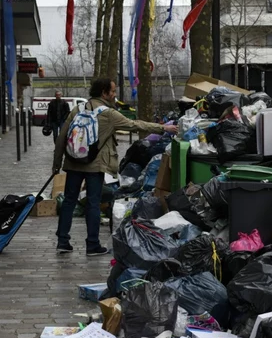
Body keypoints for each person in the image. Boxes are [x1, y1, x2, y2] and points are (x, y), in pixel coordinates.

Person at [52, 78, 178, 255]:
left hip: (73, 163)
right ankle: (92, 245)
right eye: (112, 91)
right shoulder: (108, 114)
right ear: (104, 93)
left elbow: (62, 138)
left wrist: (57, 164)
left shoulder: (78, 109)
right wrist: (163, 128)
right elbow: (135, 125)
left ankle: (63, 242)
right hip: (94, 165)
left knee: (69, 201)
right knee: (93, 203)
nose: (114, 94)